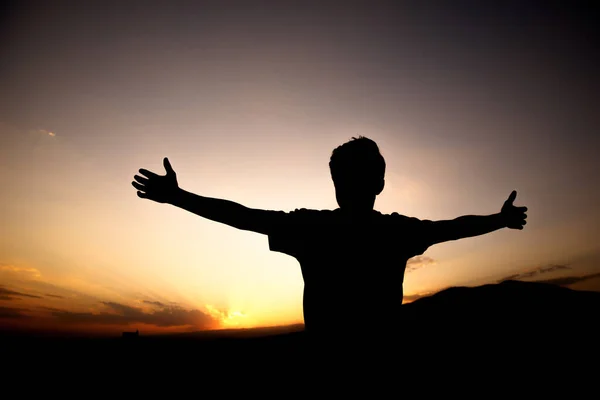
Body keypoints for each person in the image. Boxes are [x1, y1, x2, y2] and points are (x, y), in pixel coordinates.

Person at [131, 136, 527, 348]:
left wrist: (178, 197)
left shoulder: (314, 228)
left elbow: (242, 216)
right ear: (380, 184)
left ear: (341, 185)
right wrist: (499, 220)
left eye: (348, 178)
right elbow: (453, 226)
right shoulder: (394, 231)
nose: (347, 186)